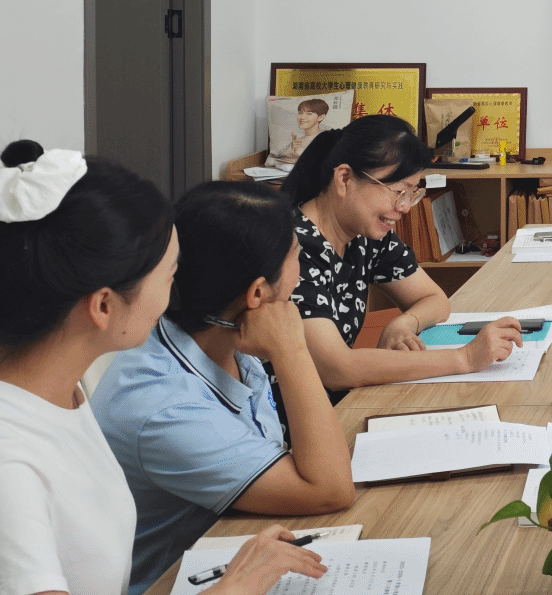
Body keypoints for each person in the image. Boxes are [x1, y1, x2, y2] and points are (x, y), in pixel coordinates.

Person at [0, 140, 324, 595]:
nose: (178, 295)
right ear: (103, 305)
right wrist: (235, 587)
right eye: (171, 276)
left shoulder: (33, 376)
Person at [94, 182, 356, 593]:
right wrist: (291, 349)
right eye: (295, 254)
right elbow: (330, 490)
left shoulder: (221, 334)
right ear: (257, 293)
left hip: (232, 548)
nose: (302, 265)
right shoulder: (165, 407)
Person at [282, 114, 520, 395]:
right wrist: (465, 358)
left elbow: (434, 299)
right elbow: (337, 368)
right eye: (398, 191)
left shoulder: (364, 235)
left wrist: (404, 323)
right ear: (344, 179)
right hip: (286, 414)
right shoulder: (291, 249)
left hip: (338, 400)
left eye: (411, 194)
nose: (405, 207)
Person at [270, 98, 329, 167]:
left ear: (321, 117)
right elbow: (277, 158)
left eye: (309, 114)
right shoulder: (297, 141)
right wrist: (292, 149)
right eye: (300, 113)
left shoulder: (325, 139)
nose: (302, 117)